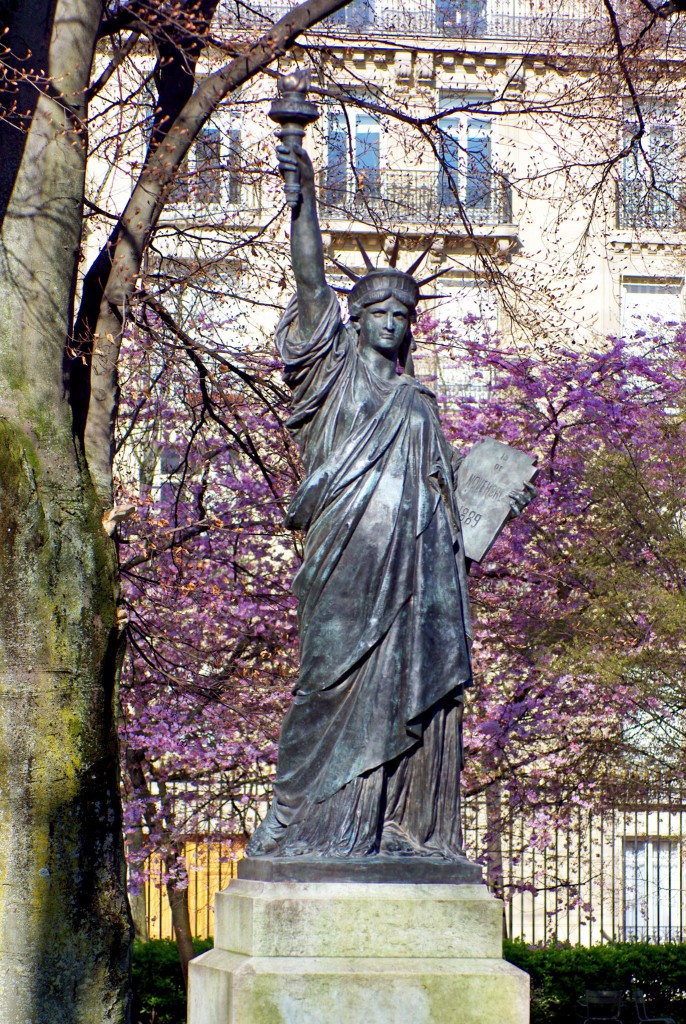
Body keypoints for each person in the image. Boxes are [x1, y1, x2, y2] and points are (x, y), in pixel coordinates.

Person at [247, 136, 529, 861]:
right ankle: (297, 821)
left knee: (413, 691)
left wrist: (488, 502)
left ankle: (397, 829)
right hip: (346, 561)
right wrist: (302, 197)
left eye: (403, 317)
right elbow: (311, 284)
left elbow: (444, 496)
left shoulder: (419, 400)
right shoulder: (334, 375)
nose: (393, 325)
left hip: (416, 579)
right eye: (379, 314)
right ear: (358, 321)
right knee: (326, 685)